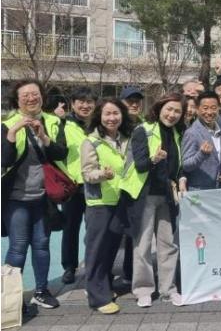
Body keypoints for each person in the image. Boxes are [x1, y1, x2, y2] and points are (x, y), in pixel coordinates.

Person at [1, 79, 67, 310]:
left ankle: (41, 291)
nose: (31, 98)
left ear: (42, 96)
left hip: (43, 196)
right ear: (17, 100)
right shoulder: (6, 124)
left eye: (35, 94)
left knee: (42, 244)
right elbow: (4, 160)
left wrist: (44, 138)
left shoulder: (53, 121)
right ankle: (11, 298)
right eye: (25, 95)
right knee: (18, 247)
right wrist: (12, 133)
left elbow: (61, 153)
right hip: (15, 198)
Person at [121, 93, 186, 308]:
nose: (172, 114)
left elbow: (177, 165)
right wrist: (154, 159)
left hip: (167, 196)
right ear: (159, 109)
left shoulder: (177, 133)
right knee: (143, 245)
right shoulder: (143, 130)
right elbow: (140, 165)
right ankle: (143, 290)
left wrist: (181, 178)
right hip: (145, 195)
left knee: (168, 244)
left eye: (177, 111)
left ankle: (169, 290)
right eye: (169, 109)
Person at [80, 98, 134, 314]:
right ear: (99, 117)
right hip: (100, 203)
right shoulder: (91, 142)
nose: (112, 118)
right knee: (96, 250)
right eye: (107, 114)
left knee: (110, 249)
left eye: (116, 113)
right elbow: (87, 173)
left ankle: (104, 287)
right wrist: (103, 174)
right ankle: (97, 297)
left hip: (120, 200)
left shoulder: (126, 139)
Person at [59, 86, 97, 285]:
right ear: (72, 104)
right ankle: (69, 267)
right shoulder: (63, 124)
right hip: (73, 185)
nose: (85, 105)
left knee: (94, 228)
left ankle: (93, 265)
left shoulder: (99, 125)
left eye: (89, 102)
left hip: (95, 182)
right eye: (81, 101)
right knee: (70, 228)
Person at [180, 91, 221, 191]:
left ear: (219, 108)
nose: (209, 112)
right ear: (197, 110)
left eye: (213, 108)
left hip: (219, 189)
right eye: (205, 108)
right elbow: (186, 165)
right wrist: (201, 155)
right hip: (199, 191)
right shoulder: (192, 133)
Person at [119, 85, 144, 284]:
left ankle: (129, 272)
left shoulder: (144, 125)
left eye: (137, 101)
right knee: (111, 234)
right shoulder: (115, 125)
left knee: (131, 232)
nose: (134, 105)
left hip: (135, 187)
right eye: (130, 101)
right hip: (114, 186)